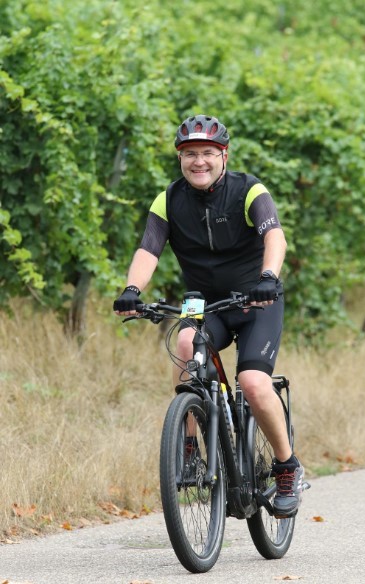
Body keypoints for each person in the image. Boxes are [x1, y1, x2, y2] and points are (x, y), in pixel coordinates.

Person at [113, 114, 304, 518]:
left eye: (207, 154)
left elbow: (275, 236)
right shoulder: (168, 199)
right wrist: (132, 291)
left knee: (252, 382)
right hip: (201, 301)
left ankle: (287, 467)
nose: (198, 162)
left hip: (256, 300)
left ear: (223, 155)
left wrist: (268, 277)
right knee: (185, 342)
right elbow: (149, 249)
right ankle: (189, 444)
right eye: (190, 155)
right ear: (180, 159)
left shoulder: (249, 190)